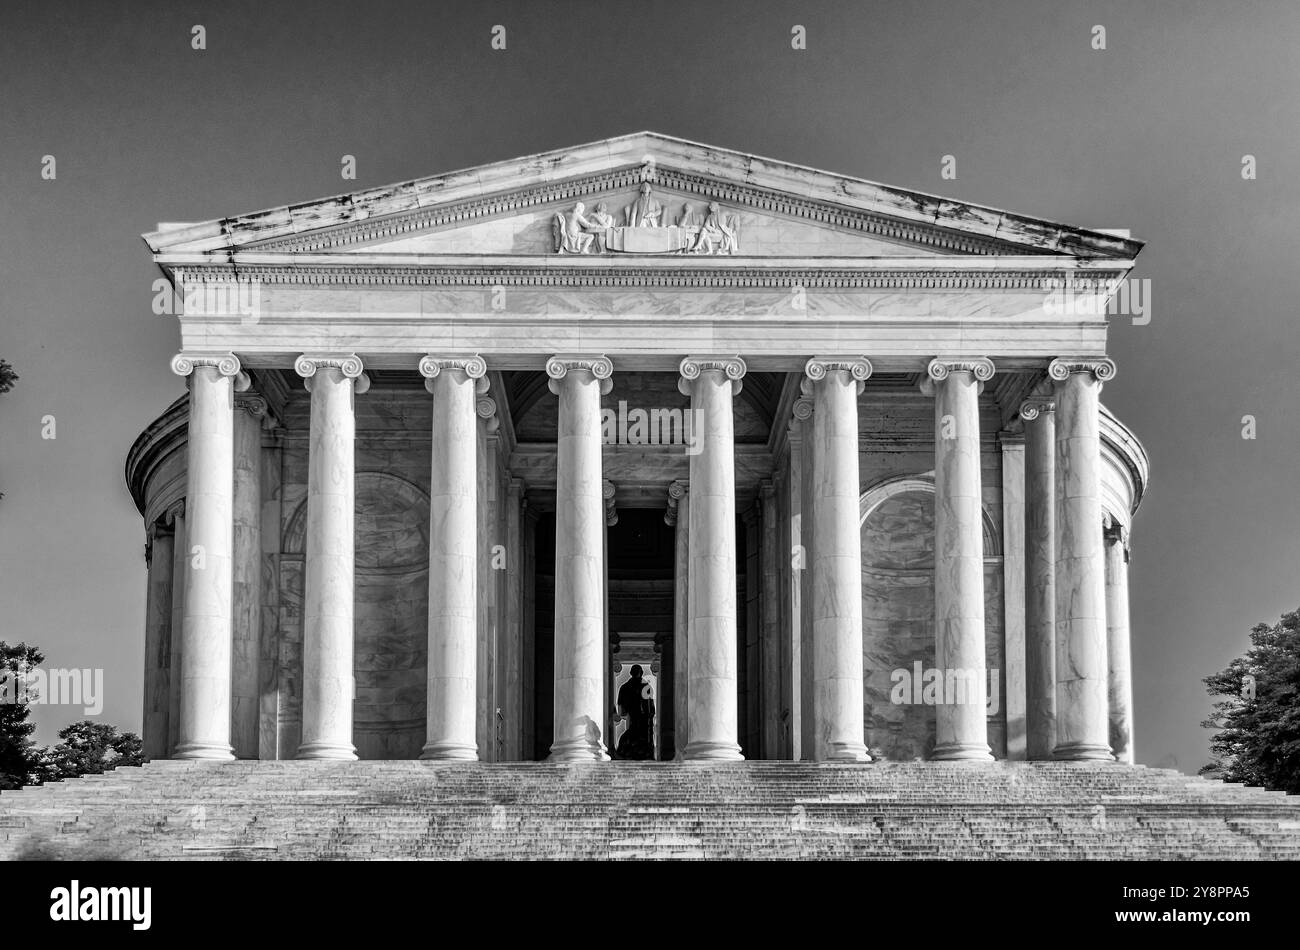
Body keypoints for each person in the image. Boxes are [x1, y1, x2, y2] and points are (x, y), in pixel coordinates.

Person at [615, 665, 656, 760]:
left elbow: (621, 705)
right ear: (641, 673)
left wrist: (622, 713)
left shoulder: (625, 687)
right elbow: (650, 703)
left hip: (637, 715)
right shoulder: (645, 686)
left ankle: (629, 752)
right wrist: (651, 713)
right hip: (640, 715)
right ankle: (639, 753)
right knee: (638, 734)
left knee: (635, 733)